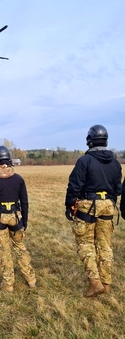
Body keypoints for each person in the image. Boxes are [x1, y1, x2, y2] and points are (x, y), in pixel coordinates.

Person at [65, 124, 122, 297]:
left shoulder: (84, 161)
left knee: (86, 243)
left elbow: (74, 185)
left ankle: (95, 283)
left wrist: (70, 204)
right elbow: (117, 188)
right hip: (108, 205)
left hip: (88, 206)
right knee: (105, 244)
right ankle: (106, 283)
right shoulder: (115, 163)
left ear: (90, 141)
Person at [0, 146, 36, 293]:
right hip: (15, 217)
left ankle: (8, 285)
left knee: (4, 251)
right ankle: (31, 279)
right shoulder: (18, 179)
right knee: (20, 247)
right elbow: (24, 202)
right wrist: (24, 220)